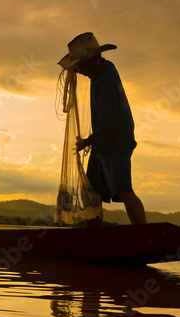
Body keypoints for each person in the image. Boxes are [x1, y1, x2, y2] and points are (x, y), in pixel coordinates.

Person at [58, 33, 147, 225]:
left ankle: (144, 235)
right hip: (103, 142)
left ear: (95, 60)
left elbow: (110, 125)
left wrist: (86, 142)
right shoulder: (104, 69)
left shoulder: (105, 80)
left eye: (80, 65)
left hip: (116, 142)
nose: (78, 70)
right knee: (92, 192)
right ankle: (94, 236)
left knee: (123, 191)